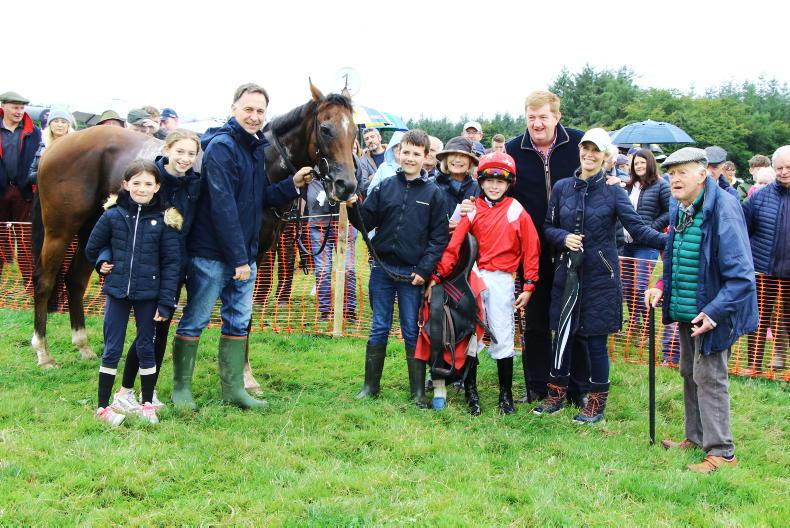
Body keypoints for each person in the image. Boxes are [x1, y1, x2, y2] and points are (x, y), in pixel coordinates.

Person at [173, 83, 313, 410]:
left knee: (237, 322)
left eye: (260, 111)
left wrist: (292, 185)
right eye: (248, 109)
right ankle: (181, 391)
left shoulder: (253, 147)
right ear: (233, 108)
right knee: (196, 320)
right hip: (212, 256)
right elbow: (223, 207)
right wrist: (239, 259)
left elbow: (258, 197)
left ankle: (234, 390)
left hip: (242, 256)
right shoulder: (222, 147)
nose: (254, 116)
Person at [536, 128, 666, 423]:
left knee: (595, 342)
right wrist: (563, 237)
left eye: (596, 150)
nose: (589, 154)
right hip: (567, 274)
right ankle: (556, 396)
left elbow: (637, 228)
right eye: (586, 148)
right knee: (563, 337)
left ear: (606, 156)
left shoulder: (614, 191)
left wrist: (670, 241)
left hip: (600, 277)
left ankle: (596, 404)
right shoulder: (562, 188)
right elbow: (548, 227)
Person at [645, 147, 757, 474]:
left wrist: (713, 313)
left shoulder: (725, 208)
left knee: (710, 378)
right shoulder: (679, 206)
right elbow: (675, 254)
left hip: (715, 313)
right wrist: (662, 285)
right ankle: (695, 437)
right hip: (688, 309)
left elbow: (742, 277)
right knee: (689, 372)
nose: (674, 179)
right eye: (671, 173)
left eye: (682, 172)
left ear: (702, 174)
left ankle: (722, 453)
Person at [428, 152, 540, 415]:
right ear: (481, 181)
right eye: (489, 180)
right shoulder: (473, 209)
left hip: (502, 279)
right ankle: (471, 392)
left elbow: (531, 248)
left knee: (503, 333)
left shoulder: (516, 210)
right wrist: (437, 276)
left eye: (500, 182)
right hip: (475, 279)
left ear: (509, 183)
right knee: (471, 335)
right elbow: (454, 246)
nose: (494, 186)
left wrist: (529, 284)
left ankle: (505, 395)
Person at [349, 129, 449, 408]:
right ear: (398, 153)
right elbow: (365, 222)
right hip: (382, 269)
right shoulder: (385, 187)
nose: (410, 158)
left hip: (412, 274)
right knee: (378, 327)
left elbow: (438, 238)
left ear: (425, 157)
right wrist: (353, 206)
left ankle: (417, 392)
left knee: (410, 330)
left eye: (416, 153)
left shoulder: (434, 194)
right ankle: (370, 387)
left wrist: (424, 270)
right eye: (406, 152)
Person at [109, 130, 202, 413]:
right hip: (148, 269)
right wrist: (107, 257)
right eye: (180, 151)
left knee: (160, 330)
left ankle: (148, 391)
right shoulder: (149, 178)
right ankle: (124, 391)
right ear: (167, 149)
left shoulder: (196, 184)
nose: (185, 158)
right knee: (147, 332)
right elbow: (119, 217)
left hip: (176, 266)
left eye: (191, 153)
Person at [504, 90, 588, 405]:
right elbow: (501, 191)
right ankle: (538, 386)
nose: (537, 124)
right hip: (532, 248)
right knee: (536, 319)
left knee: (574, 318)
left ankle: (577, 387)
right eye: (531, 117)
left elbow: (596, 175)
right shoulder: (513, 148)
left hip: (573, 244)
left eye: (543, 117)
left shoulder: (578, 143)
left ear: (557, 117)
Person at [85, 159, 182, 425]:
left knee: (146, 346)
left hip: (149, 295)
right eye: (136, 183)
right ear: (126, 184)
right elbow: (93, 247)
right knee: (112, 348)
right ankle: (103, 407)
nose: (142, 188)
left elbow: (172, 264)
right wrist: (102, 261)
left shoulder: (165, 221)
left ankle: (147, 403)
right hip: (117, 292)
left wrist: (166, 303)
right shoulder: (112, 215)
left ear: (157, 186)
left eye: (148, 183)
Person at [741, 145, 790, 375]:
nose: (784, 172)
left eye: (788, 167)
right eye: (779, 168)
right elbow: (742, 230)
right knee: (757, 320)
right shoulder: (759, 197)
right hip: (762, 270)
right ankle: (754, 365)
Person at [621, 149, 670, 334]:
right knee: (627, 286)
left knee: (640, 286)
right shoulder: (628, 186)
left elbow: (670, 211)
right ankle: (634, 322)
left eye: (642, 162)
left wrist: (652, 227)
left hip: (647, 244)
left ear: (650, 163)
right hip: (626, 243)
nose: (639, 166)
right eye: (636, 163)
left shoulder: (661, 185)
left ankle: (647, 326)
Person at [0, 91, 42, 280]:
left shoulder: (35, 132)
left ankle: (30, 286)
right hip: (1, 190)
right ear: (3, 107)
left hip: (24, 192)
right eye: (15, 107)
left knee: (26, 240)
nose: (19, 111)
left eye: (22, 108)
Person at [305, 177, 358, 321]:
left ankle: (349, 310)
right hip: (319, 226)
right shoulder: (311, 170)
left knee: (348, 269)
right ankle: (325, 311)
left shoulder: (349, 166)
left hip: (346, 224)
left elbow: (359, 182)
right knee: (322, 269)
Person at [433, 137, 480, 223]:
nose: (457, 160)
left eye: (463, 156)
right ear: (446, 159)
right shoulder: (432, 185)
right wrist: (443, 226)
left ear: (470, 162)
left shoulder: (478, 189)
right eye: (453, 154)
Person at [28, 107, 76, 187]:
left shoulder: (76, 146)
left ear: (68, 125)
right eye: (56, 121)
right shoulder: (41, 144)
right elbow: (30, 176)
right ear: (50, 124)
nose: (59, 125)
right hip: (45, 190)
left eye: (63, 122)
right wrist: (46, 173)